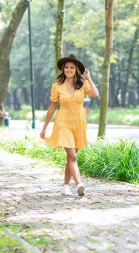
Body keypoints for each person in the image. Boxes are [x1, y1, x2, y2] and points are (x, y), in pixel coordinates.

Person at [40, 54, 99, 196]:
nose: (69, 69)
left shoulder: (82, 85)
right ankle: (79, 184)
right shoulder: (57, 86)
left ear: (76, 69)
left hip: (78, 123)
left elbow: (95, 94)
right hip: (63, 123)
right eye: (66, 67)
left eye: (72, 67)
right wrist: (44, 127)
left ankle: (66, 186)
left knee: (71, 157)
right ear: (63, 69)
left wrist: (88, 77)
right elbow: (52, 108)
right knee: (72, 156)